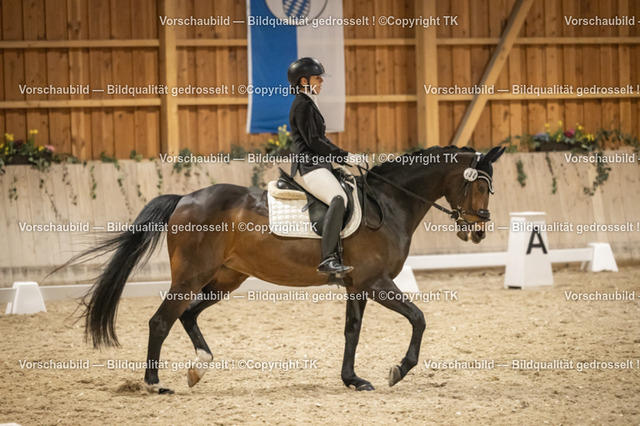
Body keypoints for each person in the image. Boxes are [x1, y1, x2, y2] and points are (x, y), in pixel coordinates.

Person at [287, 57, 354, 277]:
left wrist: (344, 156)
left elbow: (322, 140)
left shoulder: (309, 102)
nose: (321, 82)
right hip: (309, 166)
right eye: (318, 78)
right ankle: (328, 259)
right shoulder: (302, 105)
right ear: (304, 81)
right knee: (338, 198)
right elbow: (315, 142)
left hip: (319, 164)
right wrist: (345, 156)